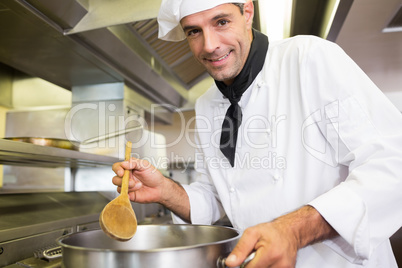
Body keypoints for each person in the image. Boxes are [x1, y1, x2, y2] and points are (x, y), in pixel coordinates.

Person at [112, 0, 402, 267]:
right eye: (194, 31)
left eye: (221, 22)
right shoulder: (206, 104)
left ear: (247, 12)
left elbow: (393, 161)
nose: (209, 45)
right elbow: (216, 195)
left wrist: (293, 232)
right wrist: (166, 191)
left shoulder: (308, 58)